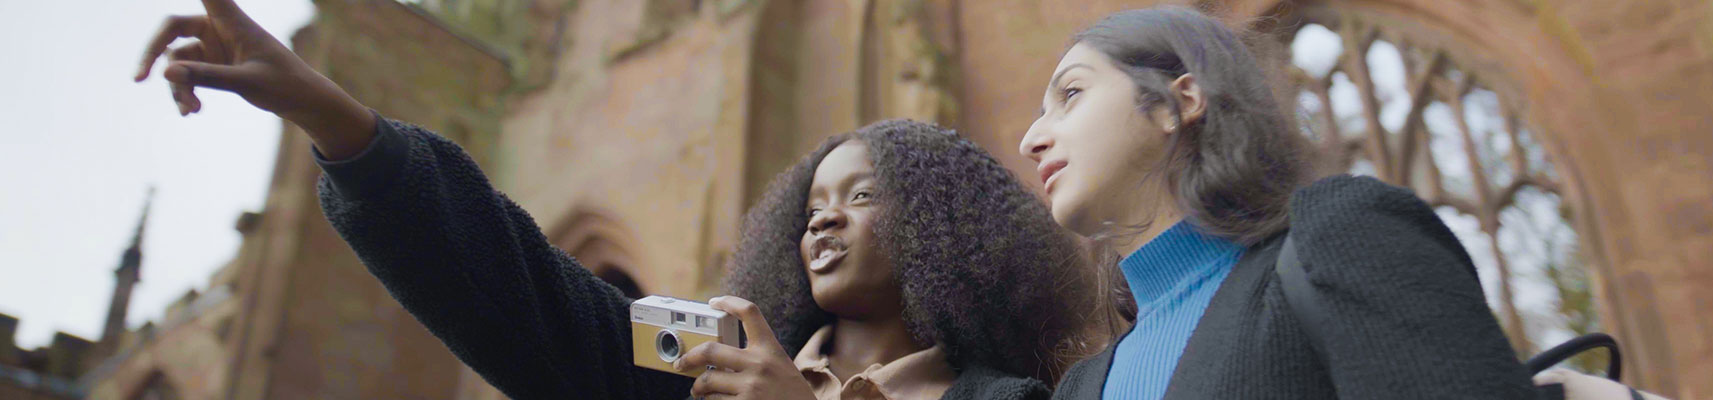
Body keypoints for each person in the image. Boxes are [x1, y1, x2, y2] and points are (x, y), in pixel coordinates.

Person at [132, 0, 1116, 399]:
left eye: (863, 196)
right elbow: (521, 288)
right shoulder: (710, 354)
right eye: (815, 199)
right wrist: (335, 118)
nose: (824, 216)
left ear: (943, 231)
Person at [1018, 6, 1538, 399]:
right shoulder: (1082, 387)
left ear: (1179, 102)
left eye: (1071, 95)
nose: (1031, 140)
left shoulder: (1339, 240)